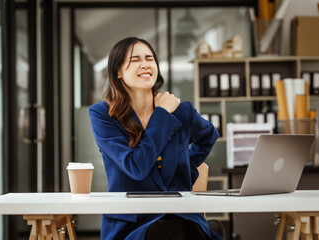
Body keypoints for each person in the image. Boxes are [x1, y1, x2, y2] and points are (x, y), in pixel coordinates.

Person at [89, 37, 221, 240]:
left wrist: (188, 166)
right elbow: (136, 167)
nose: (145, 64)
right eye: (135, 59)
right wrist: (161, 115)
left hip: (181, 214)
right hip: (132, 223)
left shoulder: (181, 110)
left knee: (182, 229)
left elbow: (209, 136)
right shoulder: (103, 115)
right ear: (118, 72)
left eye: (149, 58)